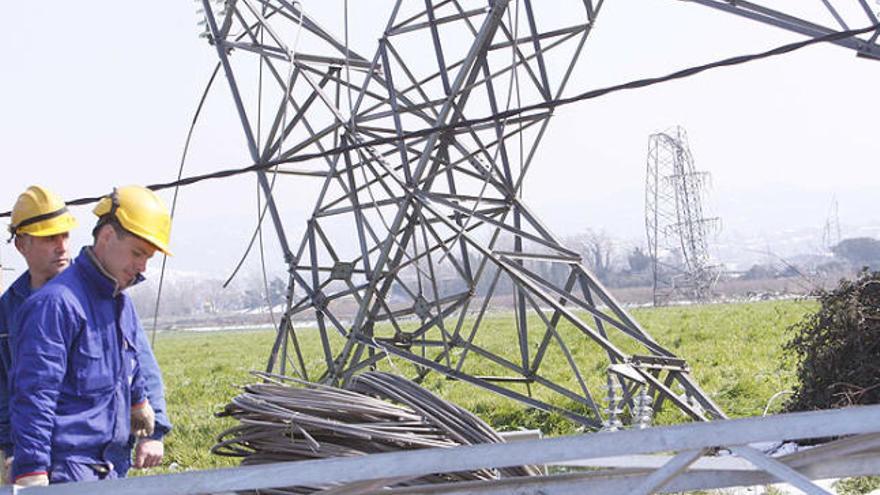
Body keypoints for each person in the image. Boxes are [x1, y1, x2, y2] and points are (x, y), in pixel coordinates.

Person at [8, 185, 173, 486]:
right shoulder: (55, 305)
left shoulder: (118, 301)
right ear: (107, 237)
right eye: (137, 253)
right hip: (69, 473)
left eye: (148, 257)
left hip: (110, 467)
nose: (142, 266)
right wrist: (31, 470)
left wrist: (142, 406)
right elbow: (35, 395)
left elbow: (134, 363)